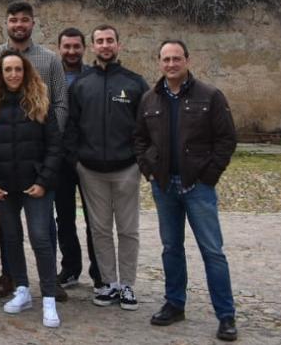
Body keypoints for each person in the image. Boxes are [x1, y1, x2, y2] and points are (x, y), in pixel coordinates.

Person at [135, 40, 238, 342]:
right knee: (171, 248)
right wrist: (148, 169)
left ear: (187, 60)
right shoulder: (149, 99)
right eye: (166, 59)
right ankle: (174, 304)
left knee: (212, 252)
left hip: (198, 187)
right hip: (165, 186)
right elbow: (139, 138)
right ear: (159, 63)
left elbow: (226, 139)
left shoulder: (210, 96)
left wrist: (209, 176)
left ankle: (226, 315)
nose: (171, 64)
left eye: (176, 58)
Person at [0, 1, 67, 299]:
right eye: (13, 20)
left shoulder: (50, 60)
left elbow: (60, 102)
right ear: (6, 22)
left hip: (38, 159)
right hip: (4, 161)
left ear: (32, 23)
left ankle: (49, 280)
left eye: (24, 20)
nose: (19, 25)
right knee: (9, 228)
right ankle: (10, 275)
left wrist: (45, 130)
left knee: (43, 228)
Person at [64, 25, 144, 311]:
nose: (105, 45)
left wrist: (140, 161)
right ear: (93, 47)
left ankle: (128, 285)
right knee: (99, 230)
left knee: (128, 229)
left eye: (110, 40)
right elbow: (71, 126)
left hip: (126, 169)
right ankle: (108, 283)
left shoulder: (135, 83)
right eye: (100, 41)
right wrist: (76, 160)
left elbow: (145, 127)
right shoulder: (82, 84)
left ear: (118, 45)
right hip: (91, 170)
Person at [55, 26, 103, 293]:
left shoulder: (93, 76)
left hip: (88, 156)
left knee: (94, 218)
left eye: (76, 47)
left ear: (84, 48)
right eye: (67, 47)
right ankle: (70, 266)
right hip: (60, 158)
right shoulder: (52, 76)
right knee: (64, 217)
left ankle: (98, 271)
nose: (71, 51)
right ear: (59, 48)